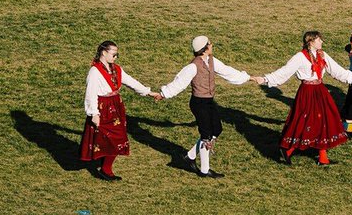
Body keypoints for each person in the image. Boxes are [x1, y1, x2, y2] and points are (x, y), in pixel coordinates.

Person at [254, 30, 352, 166]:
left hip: (320, 91)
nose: (322, 42)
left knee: (324, 119)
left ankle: (322, 158)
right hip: (307, 92)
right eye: (319, 39)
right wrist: (265, 79)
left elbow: (336, 70)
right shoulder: (300, 57)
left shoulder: (322, 55)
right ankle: (288, 149)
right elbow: (284, 72)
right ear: (310, 42)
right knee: (306, 120)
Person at [157, 36, 251, 178]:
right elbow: (179, 82)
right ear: (205, 48)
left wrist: (247, 77)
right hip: (199, 103)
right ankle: (204, 170)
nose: (211, 45)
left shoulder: (212, 61)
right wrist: (164, 93)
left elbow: (228, 71)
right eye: (209, 44)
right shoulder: (193, 66)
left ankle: (189, 156)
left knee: (217, 129)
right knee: (206, 136)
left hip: (208, 101)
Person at [80, 41, 157, 181]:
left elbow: (131, 82)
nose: (115, 57)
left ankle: (105, 167)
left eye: (117, 55)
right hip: (103, 108)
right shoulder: (95, 71)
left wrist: (148, 92)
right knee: (109, 137)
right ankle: (105, 169)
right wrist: (94, 113)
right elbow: (90, 94)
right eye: (114, 54)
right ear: (104, 53)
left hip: (115, 106)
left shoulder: (116, 69)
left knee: (118, 137)